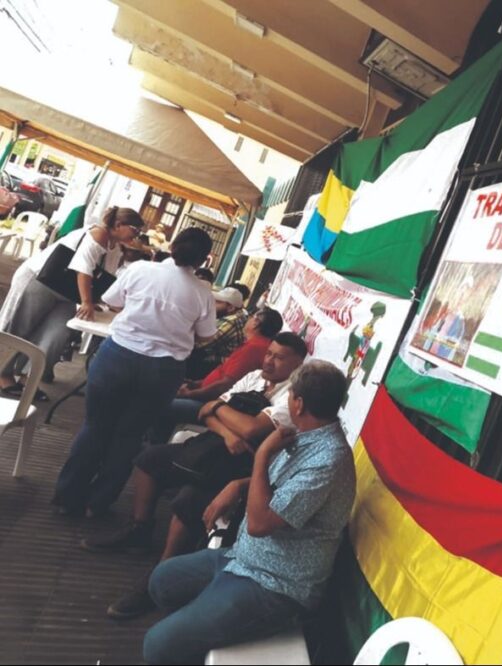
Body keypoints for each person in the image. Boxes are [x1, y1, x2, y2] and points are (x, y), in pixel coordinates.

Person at [142, 361, 355, 664]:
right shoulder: (306, 434)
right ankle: (200, 629)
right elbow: (276, 486)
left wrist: (262, 455)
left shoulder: (327, 460)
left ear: (298, 403)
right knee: (162, 581)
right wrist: (238, 485)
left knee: (157, 646)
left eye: (290, 394)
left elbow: (258, 523)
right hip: (244, 556)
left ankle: (200, 632)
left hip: (276, 584)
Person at [85, 333, 309, 619]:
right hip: (214, 446)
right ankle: (139, 530)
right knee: (148, 460)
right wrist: (227, 430)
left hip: (244, 468)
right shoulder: (254, 377)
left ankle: (161, 575)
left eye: (279, 358)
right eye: (269, 353)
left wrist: (219, 410)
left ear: (298, 363)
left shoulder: (292, 398)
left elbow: (252, 429)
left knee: (188, 500)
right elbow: (205, 412)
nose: (269, 361)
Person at [52, 228, 217, 518]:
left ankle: (67, 497)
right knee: (130, 436)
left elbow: (113, 301)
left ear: (173, 246)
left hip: (117, 356)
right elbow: (206, 335)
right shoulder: (203, 293)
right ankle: (97, 504)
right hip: (163, 371)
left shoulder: (141, 269)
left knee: (95, 426)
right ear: (204, 260)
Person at [0, 207, 144, 398]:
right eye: (135, 229)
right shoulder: (98, 233)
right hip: (41, 279)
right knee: (19, 327)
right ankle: (3, 374)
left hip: (68, 292)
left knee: (55, 336)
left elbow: (104, 278)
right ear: (118, 225)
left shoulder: (116, 249)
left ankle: (29, 378)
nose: (137, 235)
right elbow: (82, 268)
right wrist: (86, 301)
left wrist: (99, 301)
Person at [186, 287, 249, 379]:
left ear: (230, 308)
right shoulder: (236, 316)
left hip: (215, 365)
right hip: (215, 360)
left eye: (217, 302)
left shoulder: (231, 321)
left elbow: (201, 344)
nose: (212, 305)